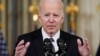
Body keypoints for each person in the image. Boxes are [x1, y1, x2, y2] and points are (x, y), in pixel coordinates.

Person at [13, 0, 91, 56]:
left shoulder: (75, 43)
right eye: (47, 15)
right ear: (40, 18)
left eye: (55, 15)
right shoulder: (25, 42)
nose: (51, 20)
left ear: (62, 19)